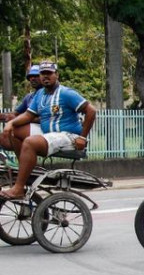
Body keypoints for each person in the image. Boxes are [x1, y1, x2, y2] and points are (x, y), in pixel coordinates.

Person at [0, 62, 96, 200]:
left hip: (68, 136)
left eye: (49, 73)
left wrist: (83, 138)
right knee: (14, 131)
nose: (45, 77)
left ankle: (19, 188)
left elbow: (91, 111)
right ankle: (25, 169)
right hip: (49, 135)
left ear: (56, 75)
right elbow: (28, 115)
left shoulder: (66, 93)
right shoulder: (39, 94)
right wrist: (11, 123)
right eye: (43, 74)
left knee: (30, 142)